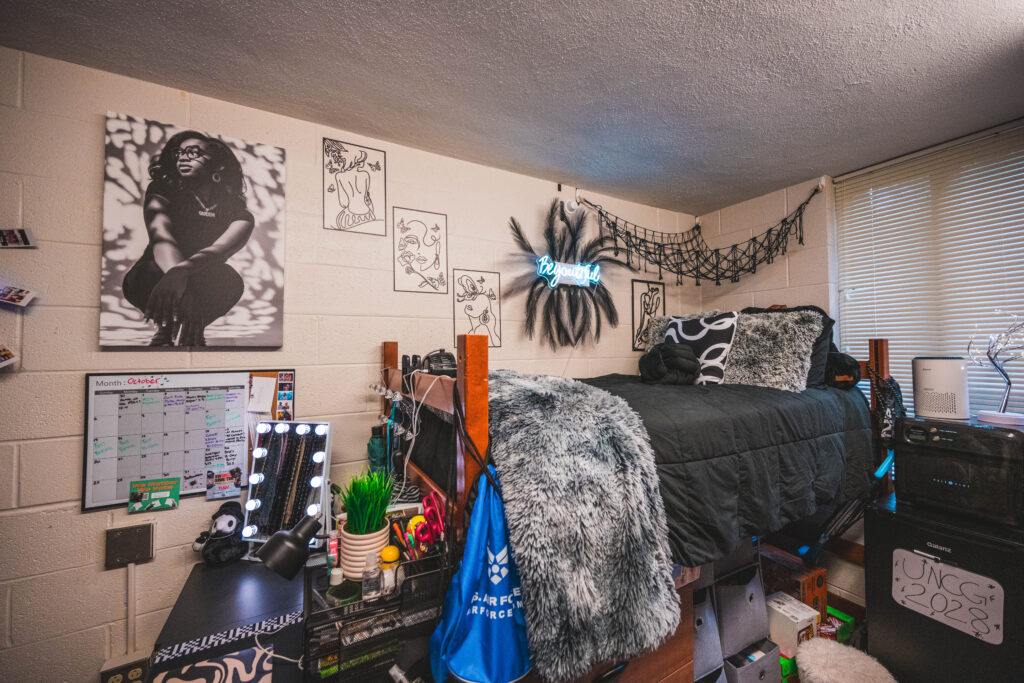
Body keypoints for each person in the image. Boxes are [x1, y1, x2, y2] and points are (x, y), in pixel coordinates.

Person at [122, 130, 255, 346]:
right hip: (156, 273)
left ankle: (187, 326)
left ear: (218, 165)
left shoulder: (239, 213)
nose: (183, 157)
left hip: (203, 274)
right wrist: (182, 290)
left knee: (230, 282)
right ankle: (175, 326)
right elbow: (162, 238)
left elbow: (219, 251)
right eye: (179, 152)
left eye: (193, 152)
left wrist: (182, 274)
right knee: (148, 274)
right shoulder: (162, 191)